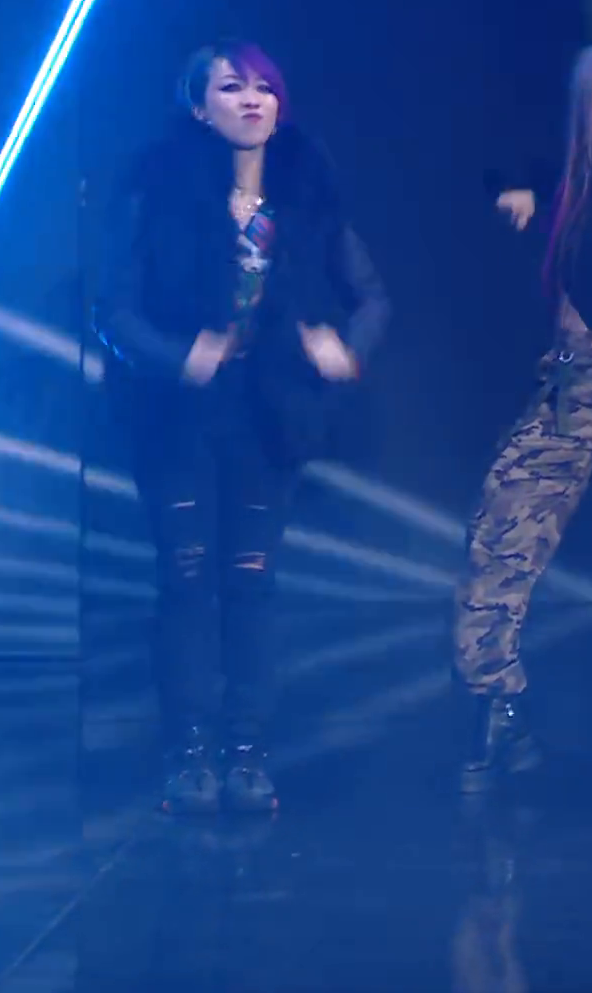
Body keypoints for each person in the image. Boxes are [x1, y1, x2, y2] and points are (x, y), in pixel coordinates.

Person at [96, 41, 391, 815]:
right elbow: (113, 309)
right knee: (187, 578)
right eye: (232, 87)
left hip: (268, 417)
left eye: (264, 87)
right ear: (200, 107)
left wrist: (344, 351)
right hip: (179, 418)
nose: (252, 100)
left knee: (252, 581)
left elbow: (371, 298)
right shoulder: (158, 195)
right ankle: (188, 752)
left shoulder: (305, 198)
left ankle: (248, 751)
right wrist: (178, 357)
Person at [453, 41, 592, 791]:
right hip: (574, 378)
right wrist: (517, 187)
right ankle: (495, 706)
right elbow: (494, 155)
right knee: (503, 522)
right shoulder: (572, 178)